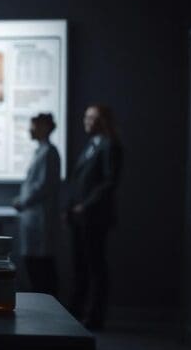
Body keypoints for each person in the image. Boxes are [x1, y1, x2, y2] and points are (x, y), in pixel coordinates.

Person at [65, 104, 123, 330]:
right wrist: (70, 208)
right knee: (80, 265)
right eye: (86, 117)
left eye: (93, 118)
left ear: (103, 120)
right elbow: (80, 180)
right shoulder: (92, 144)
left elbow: (110, 181)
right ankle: (76, 311)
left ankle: (95, 316)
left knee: (95, 267)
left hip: (95, 217)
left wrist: (85, 206)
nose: (87, 121)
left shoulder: (111, 146)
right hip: (80, 217)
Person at [12, 113, 61, 295]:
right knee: (34, 264)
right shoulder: (41, 151)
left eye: (33, 126)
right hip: (33, 216)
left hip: (40, 217)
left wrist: (23, 201)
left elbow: (43, 185)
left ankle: (49, 307)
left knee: (41, 266)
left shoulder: (49, 152)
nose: (30, 130)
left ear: (45, 128)